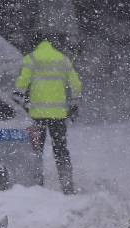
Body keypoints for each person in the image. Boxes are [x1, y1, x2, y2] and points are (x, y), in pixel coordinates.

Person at [14, 33, 82, 194]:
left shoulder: (31, 59)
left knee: (36, 151)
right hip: (58, 115)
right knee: (61, 149)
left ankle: (37, 186)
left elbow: (22, 82)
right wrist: (74, 103)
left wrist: (19, 97)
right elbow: (76, 83)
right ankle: (67, 186)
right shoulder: (62, 59)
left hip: (37, 114)